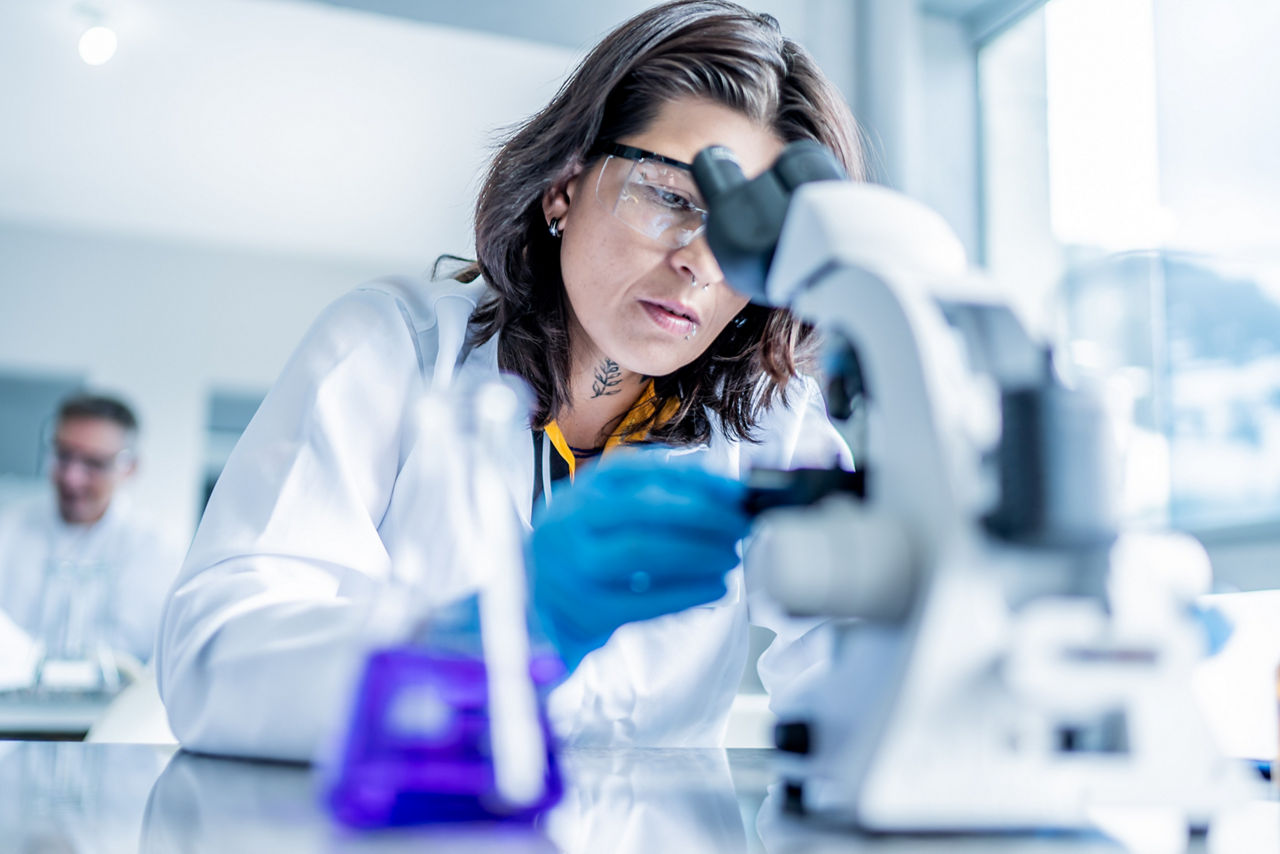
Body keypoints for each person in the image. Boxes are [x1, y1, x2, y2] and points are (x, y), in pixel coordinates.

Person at [157, 0, 863, 761]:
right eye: (668, 196)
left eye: (743, 232)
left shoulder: (773, 424)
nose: (702, 261)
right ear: (565, 182)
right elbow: (216, 657)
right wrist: (483, 632)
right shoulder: (394, 349)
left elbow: (859, 668)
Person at [0, 394, 182, 669]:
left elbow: (143, 659)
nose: (72, 477)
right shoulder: (9, 526)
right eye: (63, 455)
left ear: (130, 468)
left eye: (94, 463)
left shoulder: (153, 549)